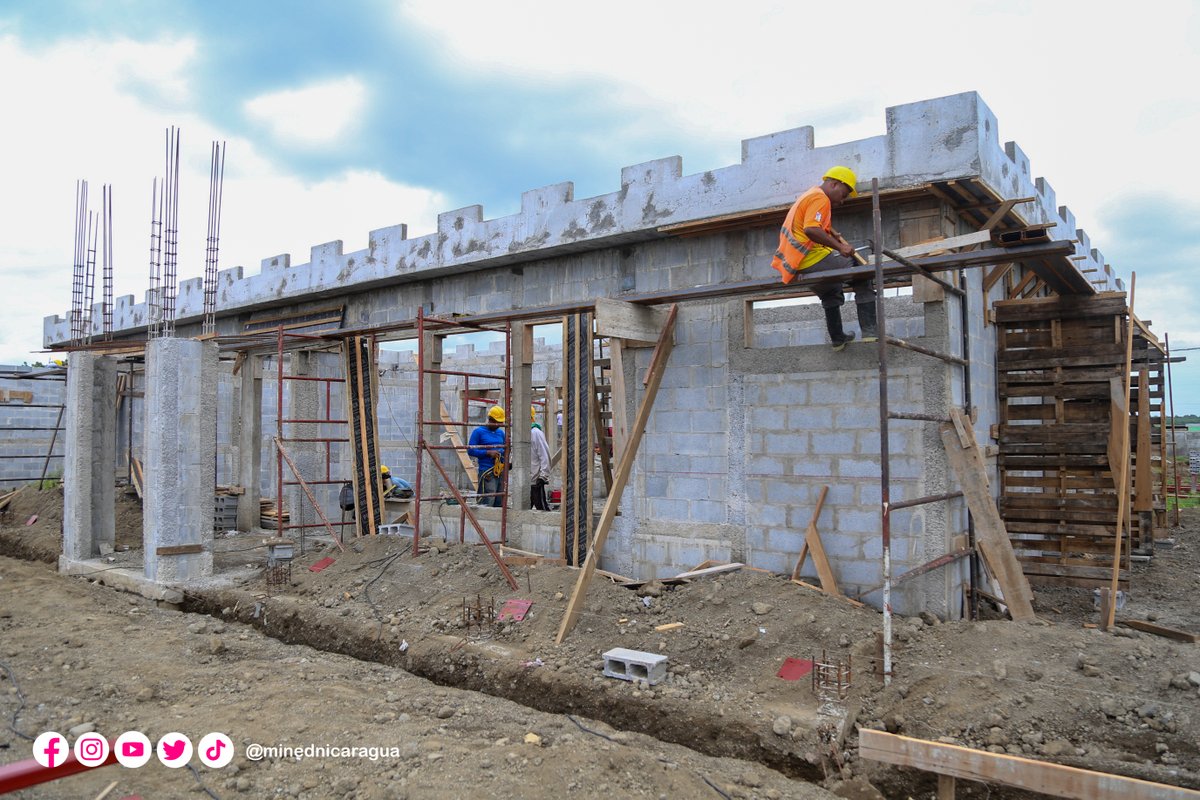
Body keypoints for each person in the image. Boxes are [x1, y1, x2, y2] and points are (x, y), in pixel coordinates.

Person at [770, 166, 877, 351]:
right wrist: (840, 247)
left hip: (799, 263)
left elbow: (811, 229)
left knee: (830, 291)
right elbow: (811, 230)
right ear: (834, 184)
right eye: (843, 195)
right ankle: (870, 331)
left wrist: (829, 236)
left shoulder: (808, 196)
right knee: (862, 272)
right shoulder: (820, 198)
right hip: (811, 259)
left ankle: (837, 339)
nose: (842, 201)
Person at [467, 406, 506, 507]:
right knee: (488, 499)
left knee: (499, 500)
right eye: (497, 422)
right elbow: (471, 450)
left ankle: (498, 522)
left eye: (500, 422)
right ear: (490, 419)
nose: (499, 425)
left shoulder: (501, 433)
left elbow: (506, 449)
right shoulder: (478, 432)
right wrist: (487, 453)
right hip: (487, 471)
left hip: (500, 471)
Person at [530, 406, 552, 511]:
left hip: (535, 480)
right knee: (523, 510)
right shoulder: (519, 433)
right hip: (524, 481)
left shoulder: (535, 433)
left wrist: (543, 476)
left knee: (542, 508)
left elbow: (545, 455)